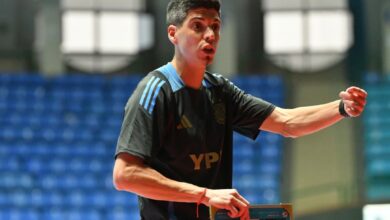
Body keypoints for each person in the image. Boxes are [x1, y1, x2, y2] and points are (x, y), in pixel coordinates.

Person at [112, 0, 368, 219]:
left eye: (215, 27)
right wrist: (203, 195)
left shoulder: (220, 90)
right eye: (198, 26)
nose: (210, 35)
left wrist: (341, 108)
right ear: (173, 34)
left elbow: (287, 122)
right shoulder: (155, 91)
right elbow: (125, 175)